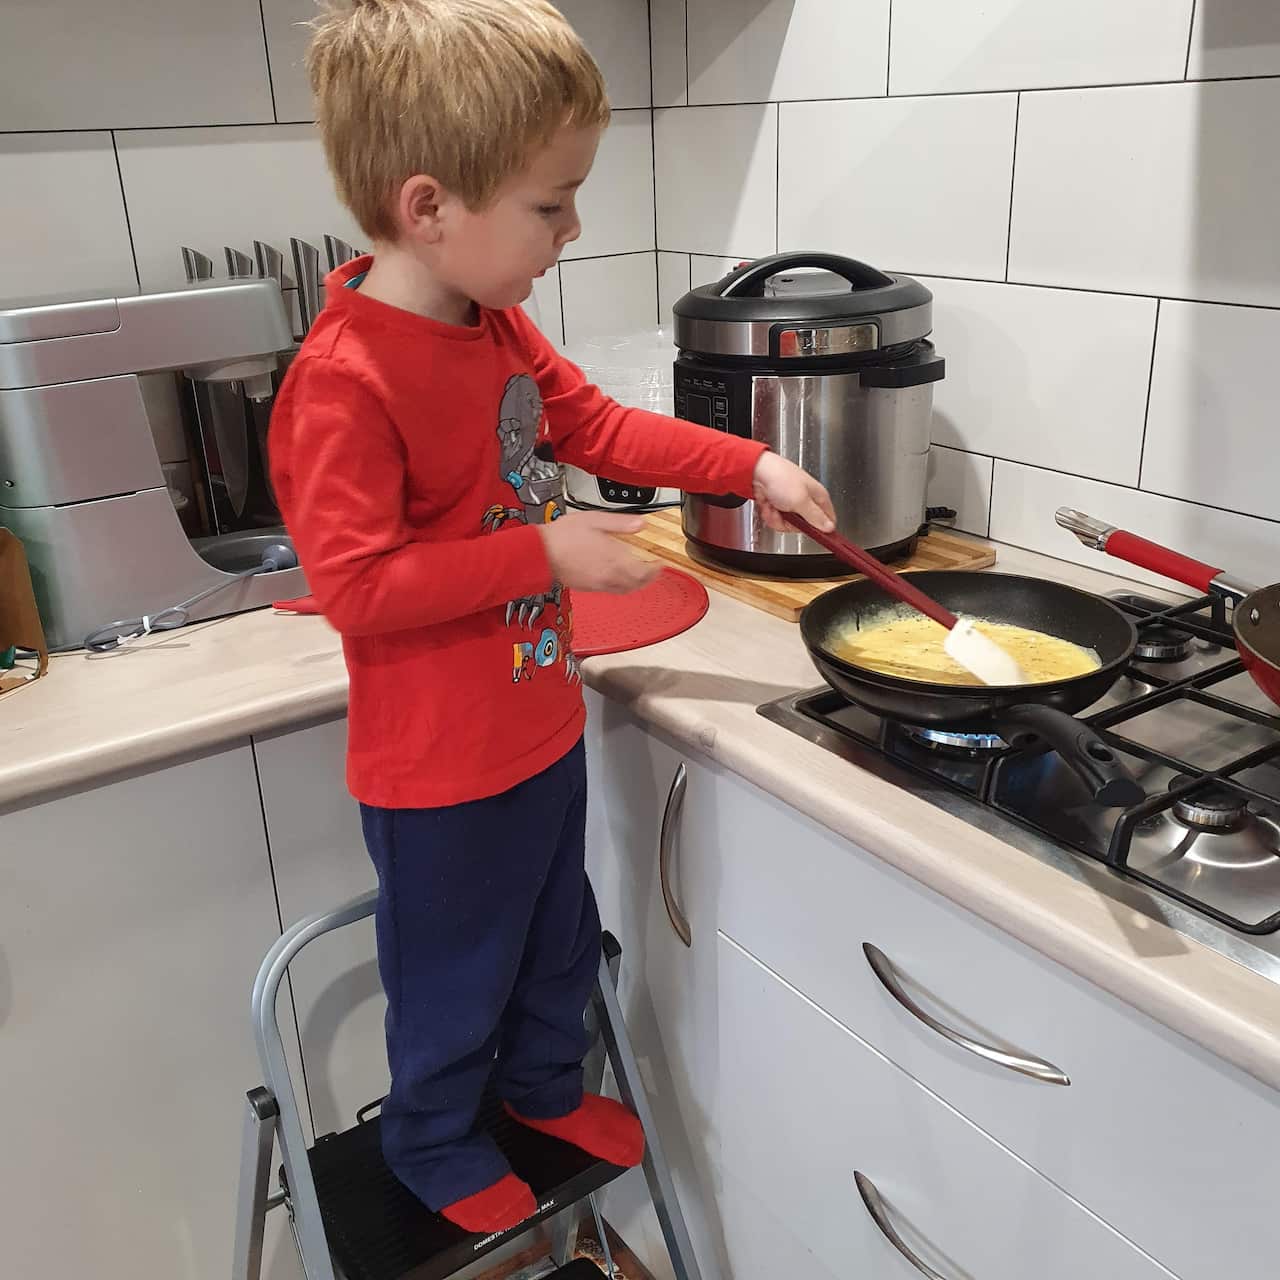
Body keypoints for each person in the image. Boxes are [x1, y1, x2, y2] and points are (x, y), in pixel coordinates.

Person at [269, 0, 837, 1236]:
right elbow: (356, 587)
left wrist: (748, 465)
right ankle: (430, 1135)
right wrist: (544, 551)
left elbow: (599, 427)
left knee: (555, 933)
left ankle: (537, 1087)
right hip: (435, 771)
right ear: (430, 207)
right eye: (548, 202)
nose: (572, 230)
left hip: (534, 722)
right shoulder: (343, 381)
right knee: (453, 967)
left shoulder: (495, 326)